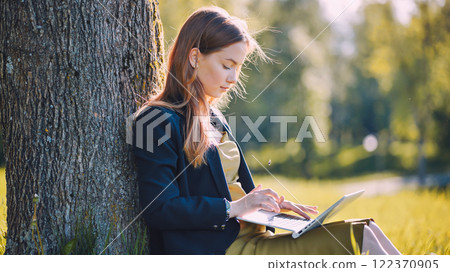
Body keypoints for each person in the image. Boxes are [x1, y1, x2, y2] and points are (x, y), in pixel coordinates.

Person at [132, 6, 401, 255]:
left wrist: (270, 207)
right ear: (194, 57)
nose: (233, 78)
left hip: (254, 236)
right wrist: (236, 208)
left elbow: (226, 187)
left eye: (238, 67)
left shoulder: (213, 117)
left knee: (365, 229)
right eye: (227, 65)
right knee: (360, 241)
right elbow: (159, 209)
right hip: (223, 250)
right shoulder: (156, 120)